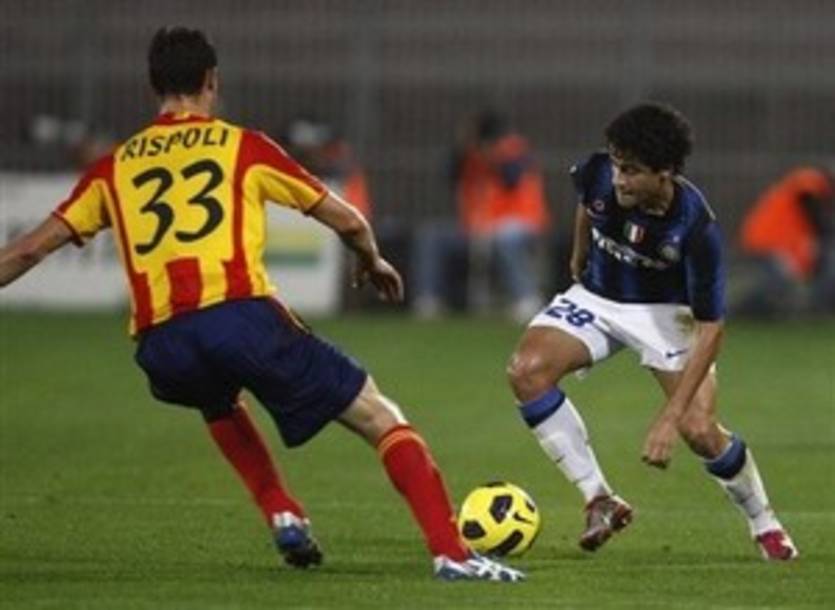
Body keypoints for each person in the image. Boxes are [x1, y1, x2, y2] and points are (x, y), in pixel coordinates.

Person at [0, 26, 523, 583]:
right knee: (379, 416)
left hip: (161, 343)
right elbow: (347, 219)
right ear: (212, 80)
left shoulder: (115, 166)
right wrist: (371, 260)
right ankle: (453, 554)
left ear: (152, 86)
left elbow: (30, 249)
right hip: (239, 317)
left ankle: (282, 511)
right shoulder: (241, 147)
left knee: (217, 399)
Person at [506, 102, 798, 561]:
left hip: (667, 313)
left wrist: (669, 417)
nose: (618, 178)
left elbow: (712, 328)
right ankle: (600, 499)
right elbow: (588, 203)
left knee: (698, 429)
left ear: (665, 174)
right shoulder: (599, 172)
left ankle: (765, 523)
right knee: (526, 371)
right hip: (600, 297)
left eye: (631, 171)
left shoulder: (695, 229)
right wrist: (579, 255)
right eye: (616, 164)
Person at [412, 110, 549, 321]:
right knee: (431, 236)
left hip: (520, 224)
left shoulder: (514, 151)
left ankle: (527, 298)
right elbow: (448, 171)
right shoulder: (468, 155)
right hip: (475, 229)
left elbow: (511, 177)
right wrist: (463, 147)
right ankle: (429, 299)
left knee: (505, 237)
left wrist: (492, 155)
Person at [735, 166, 834, 316]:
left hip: (777, 244)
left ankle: (745, 312)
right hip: (768, 241)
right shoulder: (811, 179)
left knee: (779, 284)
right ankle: (737, 311)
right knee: (778, 283)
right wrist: (826, 231)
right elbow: (810, 205)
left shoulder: (820, 190)